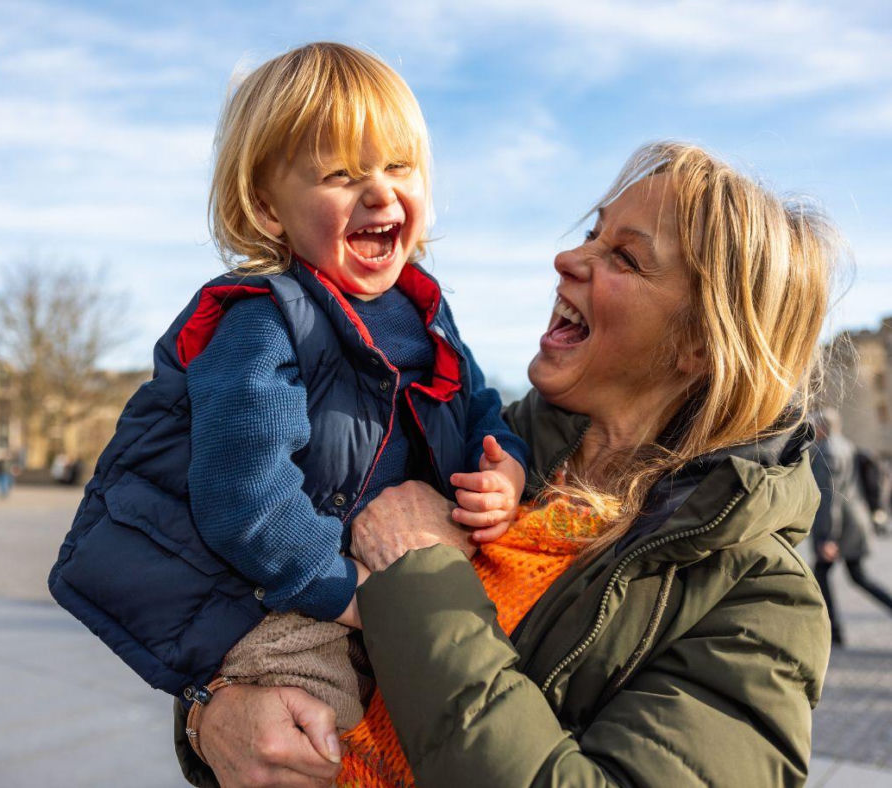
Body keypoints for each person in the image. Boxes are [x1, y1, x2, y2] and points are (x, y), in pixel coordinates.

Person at [180, 141, 837, 788]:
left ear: (699, 343)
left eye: (624, 258)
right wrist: (212, 714)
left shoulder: (760, 602)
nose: (566, 258)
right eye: (591, 233)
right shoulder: (474, 449)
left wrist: (417, 571)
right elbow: (261, 594)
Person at [47, 42, 527, 740]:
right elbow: (241, 494)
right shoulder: (264, 323)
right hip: (283, 598)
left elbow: (478, 406)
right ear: (271, 211)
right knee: (317, 736)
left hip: (377, 574)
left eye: (399, 165)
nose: (380, 191)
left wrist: (504, 468)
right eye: (339, 174)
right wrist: (345, 593)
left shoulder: (427, 315)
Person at [811, 407, 892, 645]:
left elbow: (830, 498)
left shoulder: (828, 451)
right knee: (856, 576)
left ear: (822, 427)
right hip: (854, 522)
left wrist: (827, 537)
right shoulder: (845, 445)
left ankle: (834, 632)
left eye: (814, 426)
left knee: (825, 575)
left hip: (843, 526)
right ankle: (834, 632)